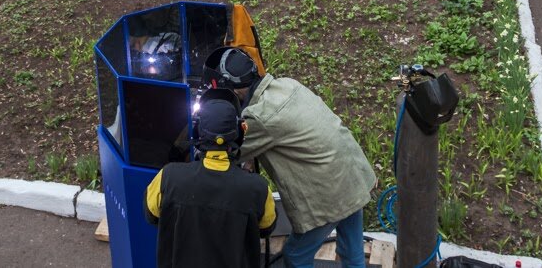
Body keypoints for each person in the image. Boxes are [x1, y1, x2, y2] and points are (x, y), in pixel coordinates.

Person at [203, 47, 377, 268]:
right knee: (351, 252)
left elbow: (227, 151)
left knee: (296, 256)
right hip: (352, 174)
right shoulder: (287, 84)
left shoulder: (259, 116)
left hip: (330, 190)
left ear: (232, 90)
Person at [144, 90, 277, 268]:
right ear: (238, 134)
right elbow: (266, 227)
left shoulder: (168, 178)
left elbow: (152, 216)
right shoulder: (258, 189)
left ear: (198, 132)